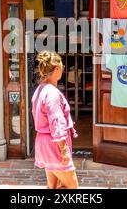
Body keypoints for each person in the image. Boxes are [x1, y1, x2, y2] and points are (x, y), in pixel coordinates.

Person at [32, 51, 79, 189]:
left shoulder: (40, 90)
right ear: (57, 69)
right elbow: (56, 123)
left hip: (44, 142)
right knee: (72, 186)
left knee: (52, 186)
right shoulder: (52, 93)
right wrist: (64, 150)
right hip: (54, 145)